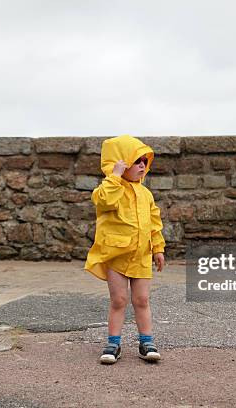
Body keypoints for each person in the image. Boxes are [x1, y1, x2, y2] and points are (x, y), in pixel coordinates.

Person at [84, 135, 166, 364]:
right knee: (119, 300)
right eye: (136, 160)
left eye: (144, 161)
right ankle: (113, 343)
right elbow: (103, 202)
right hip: (117, 255)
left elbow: (154, 222)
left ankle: (146, 341)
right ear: (120, 163)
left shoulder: (145, 194)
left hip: (141, 255)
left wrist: (158, 248)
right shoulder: (110, 188)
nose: (142, 165)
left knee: (141, 299)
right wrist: (115, 176)